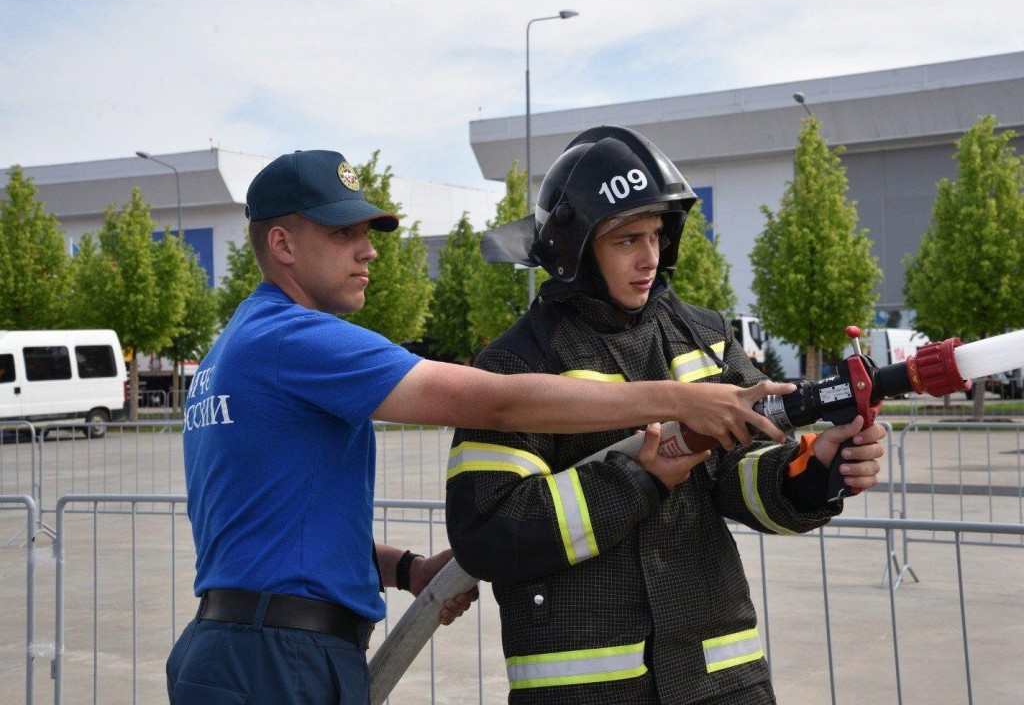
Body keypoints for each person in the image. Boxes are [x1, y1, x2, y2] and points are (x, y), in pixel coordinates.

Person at [166, 148, 797, 705]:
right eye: (342, 233)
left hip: (245, 646)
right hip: (280, 662)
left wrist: (405, 569)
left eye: (368, 229)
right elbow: (493, 404)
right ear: (282, 245)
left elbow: (267, 529)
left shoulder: (235, 348)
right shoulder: (296, 340)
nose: (370, 248)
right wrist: (678, 401)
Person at [445, 126, 887, 704]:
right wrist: (638, 481)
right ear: (574, 248)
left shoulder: (702, 338)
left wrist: (812, 472)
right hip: (588, 689)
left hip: (722, 678)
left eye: (656, 234)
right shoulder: (516, 364)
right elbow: (489, 533)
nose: (649, 257)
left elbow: (742, 476)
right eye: (627, 239)